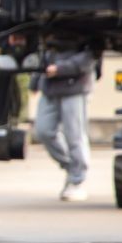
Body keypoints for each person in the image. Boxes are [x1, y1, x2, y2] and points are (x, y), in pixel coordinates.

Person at [33, 49, 98, 202]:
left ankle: (77, 181)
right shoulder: (50, 37)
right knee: (43, 131)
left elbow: (91, 55)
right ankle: (71, 166)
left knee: (74, 136)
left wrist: (60, 69)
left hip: (75, 87)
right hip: (49, 87)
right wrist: (35, 81)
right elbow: (43, 54)